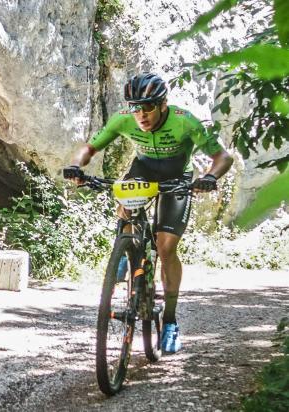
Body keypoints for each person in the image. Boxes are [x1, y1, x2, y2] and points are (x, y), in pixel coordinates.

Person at [65, 73, 234, 353]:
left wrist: (211, 177)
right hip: (143, 170)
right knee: (125, 200)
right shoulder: (124, 118)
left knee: (166, 247)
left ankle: (169, 320)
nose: (140, 114)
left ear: (163, 104)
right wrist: (75, 166)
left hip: (177, 176)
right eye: (135, 107)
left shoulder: (185, 120)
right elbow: (90, 147)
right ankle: (126, 248)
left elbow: (223, 157)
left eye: (148, 107)